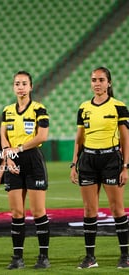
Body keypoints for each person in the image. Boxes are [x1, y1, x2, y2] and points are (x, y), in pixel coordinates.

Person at [70, 66, 129, 269]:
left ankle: (125, 256)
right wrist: (73, 163)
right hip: (88, 161)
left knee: (117, 209)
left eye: (101, 80)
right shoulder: (83, 107)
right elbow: (79, 139)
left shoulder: (118, 106)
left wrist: (126, 167)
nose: (97, 83)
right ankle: (90, 258)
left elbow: (126, 138)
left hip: (111, 160)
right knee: (89, 210)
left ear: (109, 83)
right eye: (94, 80)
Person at [0, 71, 50, 269]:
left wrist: (18, 149)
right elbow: (3, 135)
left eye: (24, 84)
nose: (20, 87)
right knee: (16, 212)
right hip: (13, 161)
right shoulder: (7, 111)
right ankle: (17, 258)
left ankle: (43, 257)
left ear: (31, 87)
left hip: (33, 160)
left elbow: (42, 137)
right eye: (17, 83)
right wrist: (7, 154)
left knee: (38, 211)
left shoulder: (39, 109)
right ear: (13, 87)